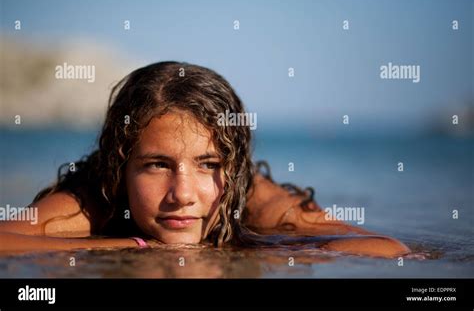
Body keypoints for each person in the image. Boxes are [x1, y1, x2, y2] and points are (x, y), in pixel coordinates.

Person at [0, 61, 409, 258]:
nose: (182, 194)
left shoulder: (258, 204)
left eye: (209, 165)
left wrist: (268, 247)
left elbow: (390, 248)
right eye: (157, 164)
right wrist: (131, 245)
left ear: (232, 168)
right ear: (120, 165)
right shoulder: (96, 196)